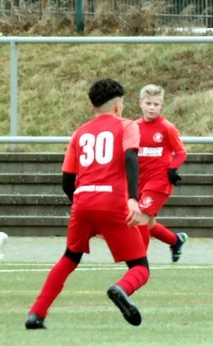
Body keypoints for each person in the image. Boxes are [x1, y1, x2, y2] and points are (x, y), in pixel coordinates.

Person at [25, 78, 151, 329]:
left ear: (93, 106)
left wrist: (83, 207)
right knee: (140, 267)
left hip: (82, 201)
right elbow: (130, 158)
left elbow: (66, 181)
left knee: (69, 258)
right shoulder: (127, 126)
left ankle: (36, 314)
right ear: (118, 106)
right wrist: (132, 199)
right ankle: (121, 289)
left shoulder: (80, 132)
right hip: (113, 202)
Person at [135, 84, 189, 262]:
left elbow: (181, 152)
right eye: (148, 103)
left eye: (156, 104)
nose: (152, 108)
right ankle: (175, 241)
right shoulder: (133, 127)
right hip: (139, 180)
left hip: (159, 181)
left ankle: (139, 263)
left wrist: (173, 168)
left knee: (141, 217)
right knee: (149, 224)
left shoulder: (167, 128)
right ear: (140, 103)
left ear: (161, 106)